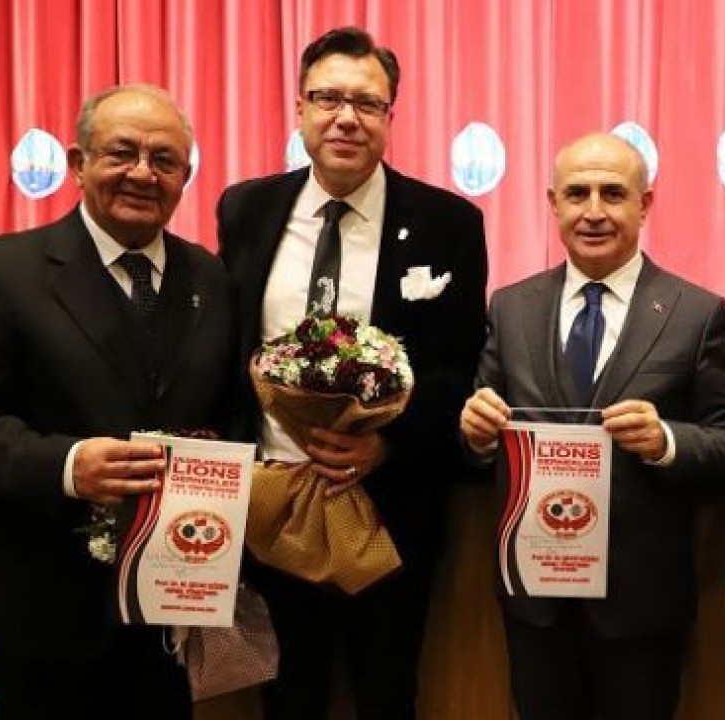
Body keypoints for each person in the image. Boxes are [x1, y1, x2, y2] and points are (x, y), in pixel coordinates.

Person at [0, 84, 234, 719]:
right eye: (122, 152)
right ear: (77, 162)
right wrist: (67, 467)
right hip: (42, 612)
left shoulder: (210, 276)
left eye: (164, 160)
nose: (143, 173)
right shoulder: (4, 271)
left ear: (185, 177)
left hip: (168, 608)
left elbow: (223, 414)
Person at [216, 26, 488, 720]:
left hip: (388, 510)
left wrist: (386, 443)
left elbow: (459, 368)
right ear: (300, 108)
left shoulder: (449, 222)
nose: (346, 118)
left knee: (387, 695)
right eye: (328, 98)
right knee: (288, 700)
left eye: (367, 103)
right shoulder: (246, 208)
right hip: (271, 507)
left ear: (391, 116)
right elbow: (230, 347)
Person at [460, 132, 725, 720]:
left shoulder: (696, 312)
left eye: (613, 194)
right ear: (553, 204)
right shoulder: (510, 307)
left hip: (640, 601)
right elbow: (479, 437)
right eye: (577, 193)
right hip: (535, 597)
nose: (593, 211)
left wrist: (667, 441)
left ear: (645, 204)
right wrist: (475, 434)